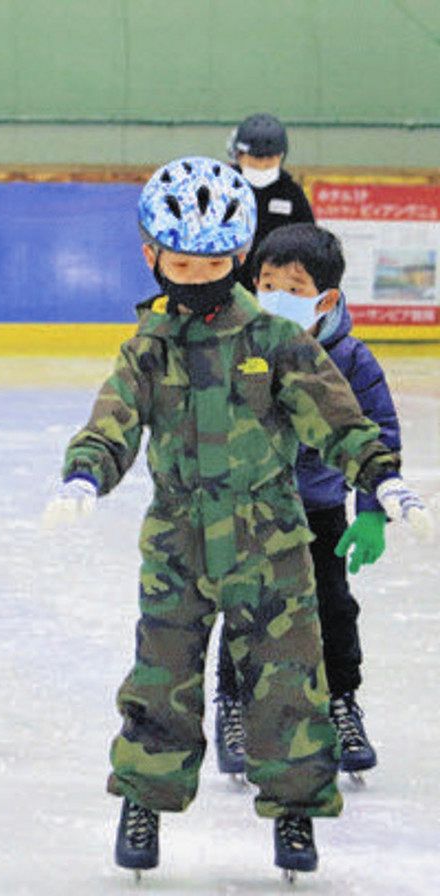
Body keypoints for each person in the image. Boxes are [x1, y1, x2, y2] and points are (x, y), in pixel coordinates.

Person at [39, 157, 432, 880]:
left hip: (270, 538)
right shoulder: (150, 346)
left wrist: (383, 478)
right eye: (183, 263)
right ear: (152, 255)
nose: (197, 277)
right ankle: (144, 800)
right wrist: (86, 472)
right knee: (162, 678)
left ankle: (294, 813)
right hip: (178, 541)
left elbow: (336, 419)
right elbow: (115, 416)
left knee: (288, 683)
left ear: (240, 256)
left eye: (214, 262)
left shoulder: (278, 342)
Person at [214, 223, 401, 782]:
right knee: (246, 607)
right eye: (265, 284)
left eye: (292, 291)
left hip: (319, 511)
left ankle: (341, 702)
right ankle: (235, 707)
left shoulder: (351, 359)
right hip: (252, 509)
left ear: (326, 300)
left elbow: (379, 433)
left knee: (333, 610)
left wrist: (370, 510)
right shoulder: (239, 346)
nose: (274, 299)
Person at [227, 113, 314, 290]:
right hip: (228, 285)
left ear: (281, 157)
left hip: (276, 287)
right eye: (256, 159)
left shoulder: (291, 193)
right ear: (239, 155)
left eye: (270, 159)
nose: (262, 166)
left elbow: (309, 242)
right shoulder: (224, 187)